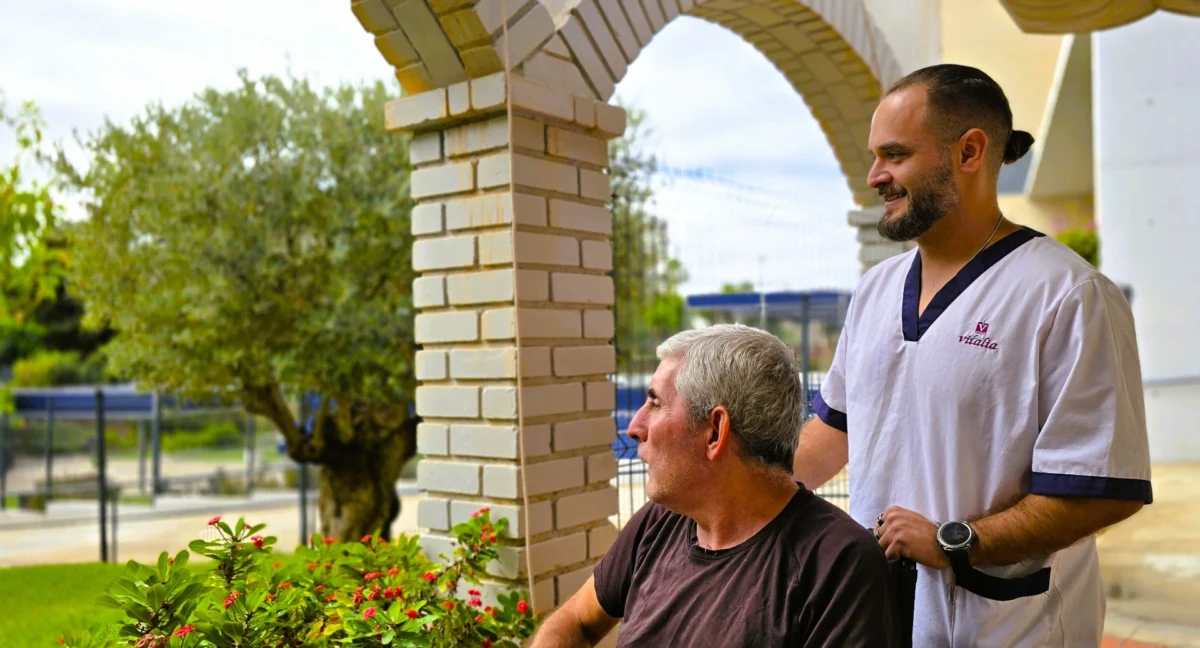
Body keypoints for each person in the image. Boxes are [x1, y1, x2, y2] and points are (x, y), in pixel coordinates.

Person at [793, 63, 1153, 647]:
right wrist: (742, 492)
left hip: (1009, 626)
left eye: (895, 155)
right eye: (875, 157)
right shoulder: (876, 290)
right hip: (876, 615)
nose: (875, 176)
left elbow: (1103, 488)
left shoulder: (1068, 295)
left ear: (969, 152)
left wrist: (954, 541)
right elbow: (835, 431)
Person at [531, 324, 898, 647]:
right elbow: (577, 620)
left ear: (714, 432)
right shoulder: (659, 521)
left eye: (655, 403)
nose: (635, 427)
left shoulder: (838, 565)